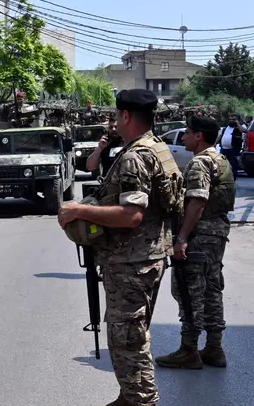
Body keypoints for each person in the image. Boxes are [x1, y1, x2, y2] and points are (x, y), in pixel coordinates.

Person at [57, 88, 183, 406]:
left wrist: (78, 210)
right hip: (148, 255)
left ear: (126, 116)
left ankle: (142, 401)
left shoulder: (135, 157)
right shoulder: (158, 148)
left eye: (117, 116)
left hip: (132, 262)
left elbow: (132, 214)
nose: (115, 122)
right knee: (133, 332)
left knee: (128, 340)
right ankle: (128, 397)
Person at [155, 116, 235, 370]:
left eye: (188, 133)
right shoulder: (221, 160)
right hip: (216, 235)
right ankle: (214, 347)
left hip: (199, 236)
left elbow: (197, 203)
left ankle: (189, 349)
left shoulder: (200, 163)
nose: (185, 137)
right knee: (212, 289)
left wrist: (181, 238)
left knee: (190, 290)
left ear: (199, 136)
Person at [218, 116, 243, 180]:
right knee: (222, 165)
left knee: (233, 165)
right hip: (223, 149)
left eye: (233, 119)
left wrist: (237, 124)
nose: (231, 120)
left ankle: (232, 180)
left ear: (237, 120)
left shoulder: (240, 127)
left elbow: (243, 131)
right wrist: (214, 143)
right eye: (230, 119)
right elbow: (220, 136)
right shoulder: (225, 128)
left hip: (233, 150)